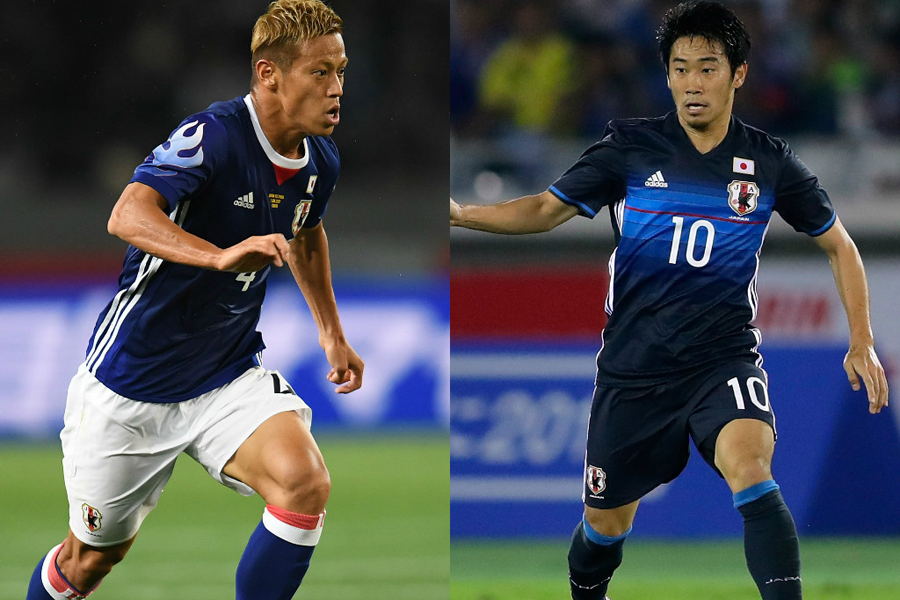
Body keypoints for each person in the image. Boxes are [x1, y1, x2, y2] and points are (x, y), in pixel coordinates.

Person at [450, 2, 889, 599]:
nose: (691, 82)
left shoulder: (768, 161)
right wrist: (459, 213)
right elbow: (544, 209)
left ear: (738, 73)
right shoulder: (630, 149)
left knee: (752, 470)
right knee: (606, 527)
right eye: (680, 68)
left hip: (721, 358)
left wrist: (861, 338)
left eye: (707, 67)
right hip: (634, 369)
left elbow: (841, 245)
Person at [26, 1, 363, 599]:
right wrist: (217, 255)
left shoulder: (320, 162)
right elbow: (127, 212)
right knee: (89, 561)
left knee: (304, 483)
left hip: (225, 373)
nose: (336, 88)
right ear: (268, 75)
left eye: (341, 71)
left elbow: (308, 231)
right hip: (132, 383)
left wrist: (331, 330)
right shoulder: (212, 136)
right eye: (320, 72)